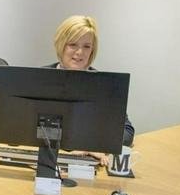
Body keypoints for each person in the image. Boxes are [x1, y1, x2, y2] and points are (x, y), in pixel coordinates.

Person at [48, 15, 135, 158]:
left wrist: (97, 147)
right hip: (50, 160)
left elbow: (127, 131)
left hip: (89, 163)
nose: (80, 52)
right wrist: (64, 150)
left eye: (86, 46)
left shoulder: (105, 85)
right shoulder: (40, 78)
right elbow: (23, 128)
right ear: (60, 44)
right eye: (73, 44)